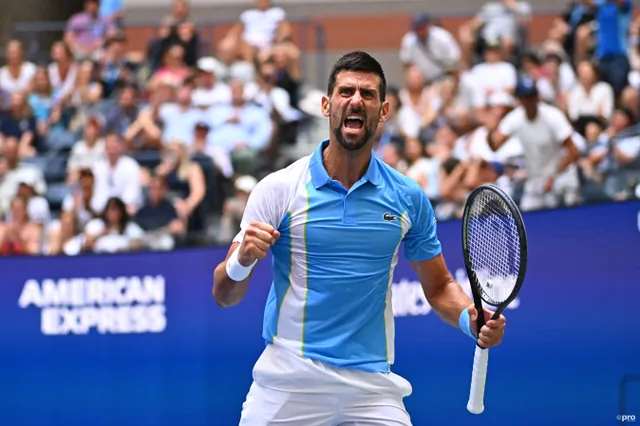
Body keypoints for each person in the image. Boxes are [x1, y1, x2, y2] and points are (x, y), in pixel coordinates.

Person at [212, 51, 507, 426]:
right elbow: (224, 295)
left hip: (371, 387)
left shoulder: (407, 197)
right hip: (288, 378)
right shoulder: (279, 189)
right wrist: (241, 262)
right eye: (346, 91)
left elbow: (439, 286)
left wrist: (470, 317)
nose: (356, 100)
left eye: (368, 94)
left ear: (383, 111)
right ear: (326, 105)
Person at [487, 77, 581, 211]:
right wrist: (490, 130)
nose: (530, 101)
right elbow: (495, 146)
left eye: (532, 96)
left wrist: (553, 176)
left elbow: (573, 151)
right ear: (519, 100)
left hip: (561, 175)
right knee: (529, 218)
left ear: (537, 97)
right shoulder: (515, 118)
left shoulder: (553, 116)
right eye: (526, 98)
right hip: (535, 180)